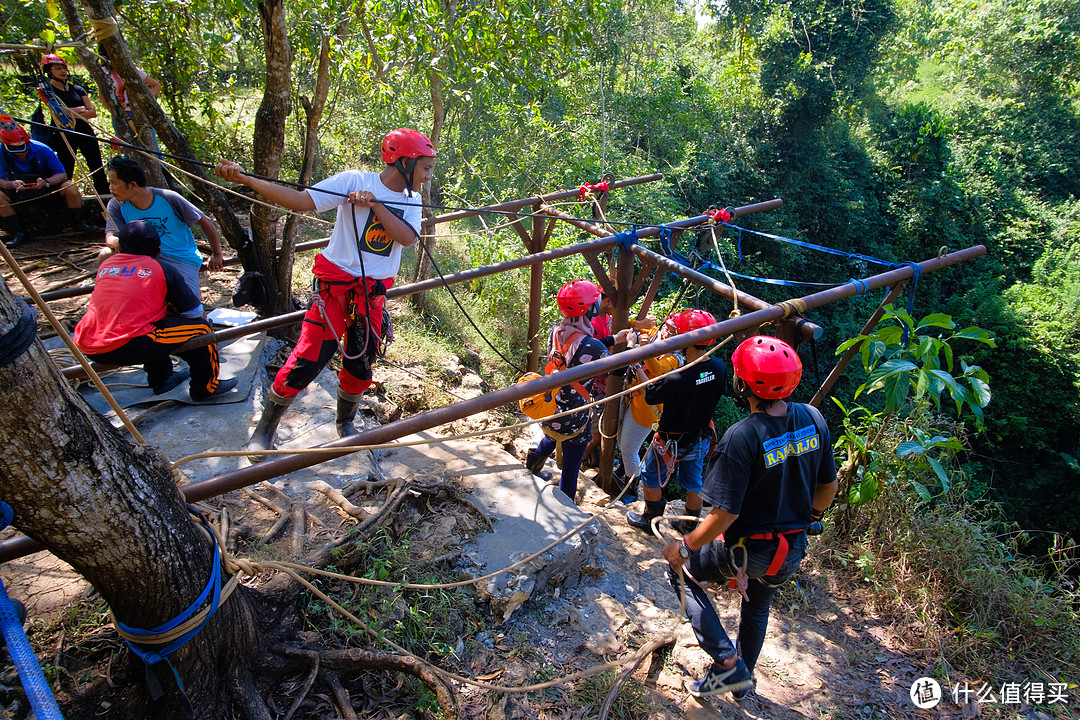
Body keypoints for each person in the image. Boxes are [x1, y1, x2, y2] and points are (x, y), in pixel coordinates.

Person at [213, 128, 437, 460]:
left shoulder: (411, 199)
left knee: (362, 361)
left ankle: (344, 422)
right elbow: (303, 201)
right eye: (425, 168)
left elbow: (406, 237)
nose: (427, 176)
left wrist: (375, 205)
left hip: (370, 293)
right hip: (334, 287)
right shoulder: (353, 181)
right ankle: (265, 429)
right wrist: (248, 180)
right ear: (404, 162)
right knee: (308, 357)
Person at [659, 335, 837, 699]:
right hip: (790, 550)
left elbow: (725, 514)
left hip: (745, 548)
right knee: (757, 606)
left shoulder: (743, 436)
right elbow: (828, 487)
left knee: (682, 571)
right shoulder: (812, 418)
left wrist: (686, 545)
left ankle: (727, 664)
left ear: (741, 384)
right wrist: (812, 516)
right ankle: (743, 684)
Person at [73, 220, 237, 401]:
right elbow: (193, 313)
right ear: (159, 252)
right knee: (201, 328)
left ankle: (161, 379)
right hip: (122, 345)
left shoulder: (107, 265)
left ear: (119, 249)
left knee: (151, 324)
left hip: (86, 343)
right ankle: (206, 388)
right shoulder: (163, 269)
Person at [524, 279, 631, 503]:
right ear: (590, 309)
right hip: (574, 420)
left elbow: (581, 347)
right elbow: (618, 369)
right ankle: (566, 507)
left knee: (550, 437)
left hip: (550, 408)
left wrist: (613, 339)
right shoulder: (594, 348)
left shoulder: (556, 331)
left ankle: (531, 470)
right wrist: (629, 346)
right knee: (570, 471)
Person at [626, 309, 729, 535]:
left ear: (687, 340)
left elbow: (650, 393)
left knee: (650, 476)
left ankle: (650, 518)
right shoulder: (718, 367)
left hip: (670, 439)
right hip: (699, 437)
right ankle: (689, 524)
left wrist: (635, 363)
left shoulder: (679, 376)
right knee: (694, 482)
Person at [102, 156, 224, 316]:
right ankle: (112, 306)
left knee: (190, 309)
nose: (110, 187)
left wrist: (217, 254)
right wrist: (116, 241)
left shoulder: (168, 197)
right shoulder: (116, 205)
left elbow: (205, 222)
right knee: (104, 256)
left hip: (179, 258)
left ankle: (202, 331)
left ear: (132, 184)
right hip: (142, 260)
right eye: (110, 182)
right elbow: (110, 235)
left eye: (114, 183)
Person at [0, 116, 88, 248]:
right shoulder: (1, 152)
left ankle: (77, 223)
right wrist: (11, 184)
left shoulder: (43, 149)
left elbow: (61, 174)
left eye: (22, 148)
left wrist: (46, 182)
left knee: (70, 186)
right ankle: (19, 232)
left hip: (45, 189)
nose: (20, 154)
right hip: (17, 192)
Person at [617, 315, 683, 485]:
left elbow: (657, 368)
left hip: (647, 408)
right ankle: (624, 471)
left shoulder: (675, 358)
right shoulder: (653, 333)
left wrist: (645, 349)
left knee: (628, 448)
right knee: (621, 439)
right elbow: (622, 323)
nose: (667, 334)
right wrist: (640, 324)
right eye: (667, 328)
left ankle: (630, 487)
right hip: (632, 395)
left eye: (674, 333)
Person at [36, 53, 110, 197]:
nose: (63, 71)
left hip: (84, 130)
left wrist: (71, 112)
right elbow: (58, 112)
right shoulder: (47, 91)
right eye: (57, 68)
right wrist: (81, 110)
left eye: (64, 68)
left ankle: (104, 197)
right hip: (63, 132)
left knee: (96, 164)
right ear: (49, 71)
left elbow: (92, 111)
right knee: (66, 166)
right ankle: (65, 197)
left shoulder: (77, 89)